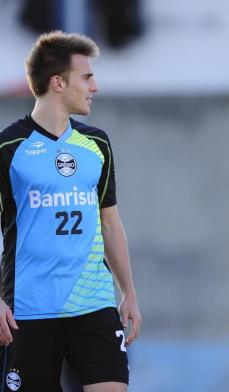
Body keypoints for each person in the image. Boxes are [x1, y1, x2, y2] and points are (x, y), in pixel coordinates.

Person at [0, 31, 142, 391]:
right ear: (58, 82)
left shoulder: (96, 144)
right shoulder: (9, 146)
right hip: (29, 308)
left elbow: (110, 223)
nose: (94, 86)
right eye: (87, 77)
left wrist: (129, 292)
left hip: (93, 303)